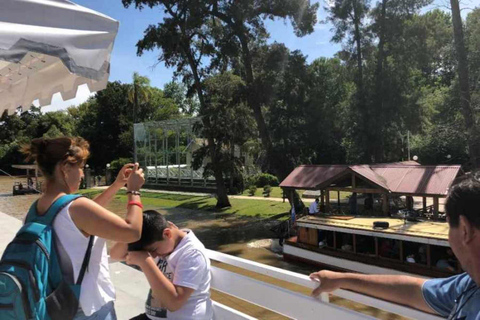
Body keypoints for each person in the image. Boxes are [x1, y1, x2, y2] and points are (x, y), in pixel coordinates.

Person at [310, 173, 480, 319]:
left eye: (448, 225)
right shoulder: (468, 285)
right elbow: (412, 290)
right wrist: (342, 279)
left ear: (464, 230)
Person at [22, 137, 145, 320]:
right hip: (88, 308)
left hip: (54, 304)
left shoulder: (37, 209)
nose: (81, 174)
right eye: (80, 167)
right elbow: (132, 232)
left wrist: (117, 185)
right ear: (65, 168)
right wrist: (133, 191)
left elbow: (83, 221)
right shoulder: (77, 208)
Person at [110, 211, 213, 320]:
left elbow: (174, 303)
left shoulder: (192, 254)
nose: (153, 255)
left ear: (167, 234)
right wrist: (133, 233)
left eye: (153, 250)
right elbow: (115, 254)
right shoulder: (164, 241)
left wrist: (145, 261)